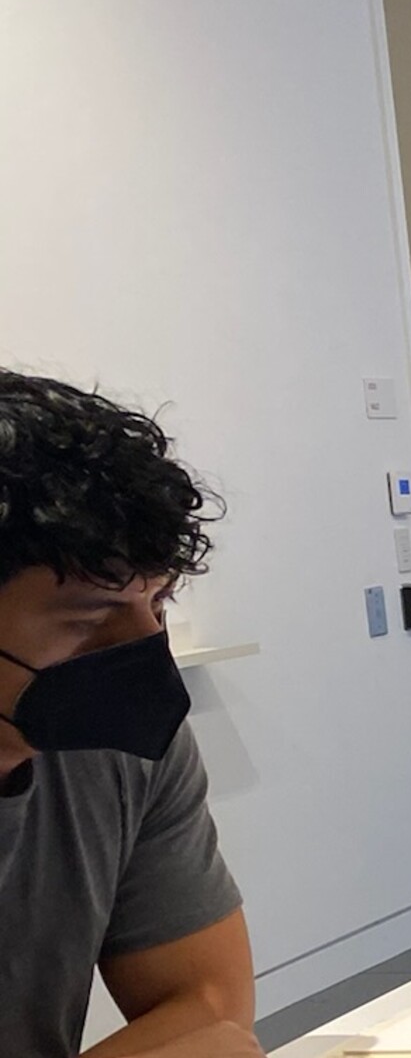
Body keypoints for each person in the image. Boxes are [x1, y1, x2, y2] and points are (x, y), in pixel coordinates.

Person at [1, 371, 261, 1058]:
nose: (144, 654)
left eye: (159, 603)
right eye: (91, 618)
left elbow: (210, 1007)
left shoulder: (124, 750)